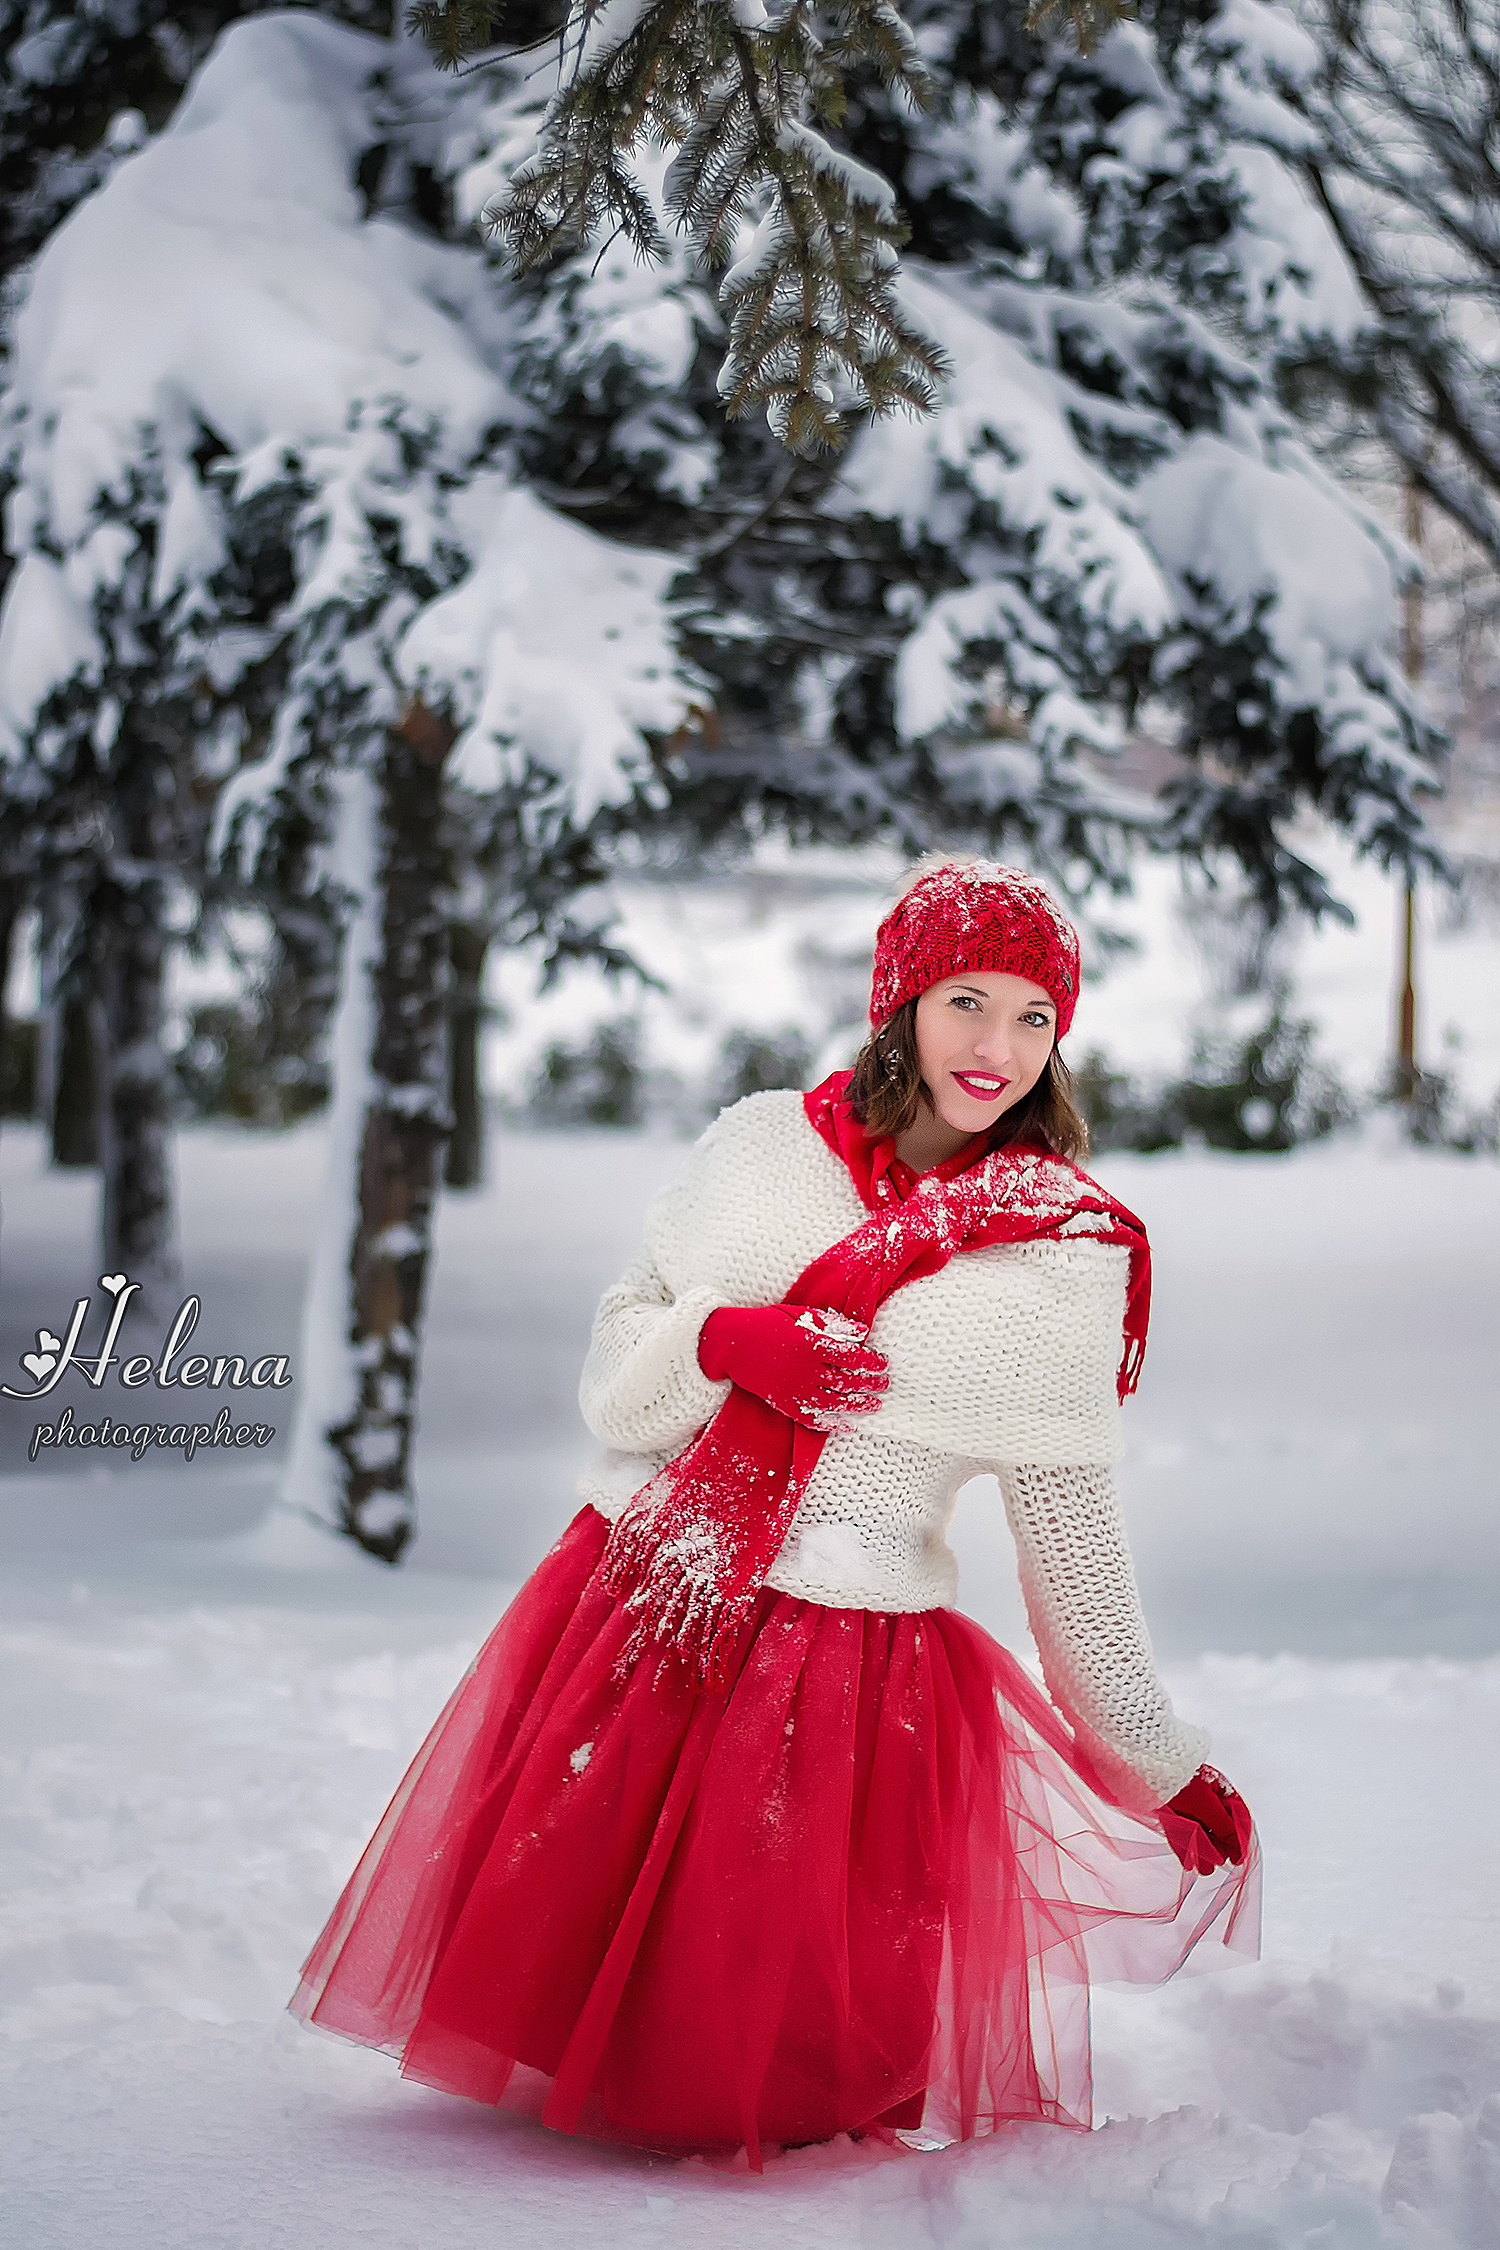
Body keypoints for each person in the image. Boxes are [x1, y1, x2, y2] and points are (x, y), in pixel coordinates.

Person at [290, 856, 1258, 2168]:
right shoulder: (758, 1151)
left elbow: (1074, 1551)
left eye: (1035, 1016)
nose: (999, 1047)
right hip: (649, 1602)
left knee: (764, 2051)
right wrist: (722, 1340)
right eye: (968, 1002)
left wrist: (1159, 1760)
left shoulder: (1060, 1257)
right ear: (899, 1002)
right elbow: (615, 1371)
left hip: (836, 1677)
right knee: (574, 1959)